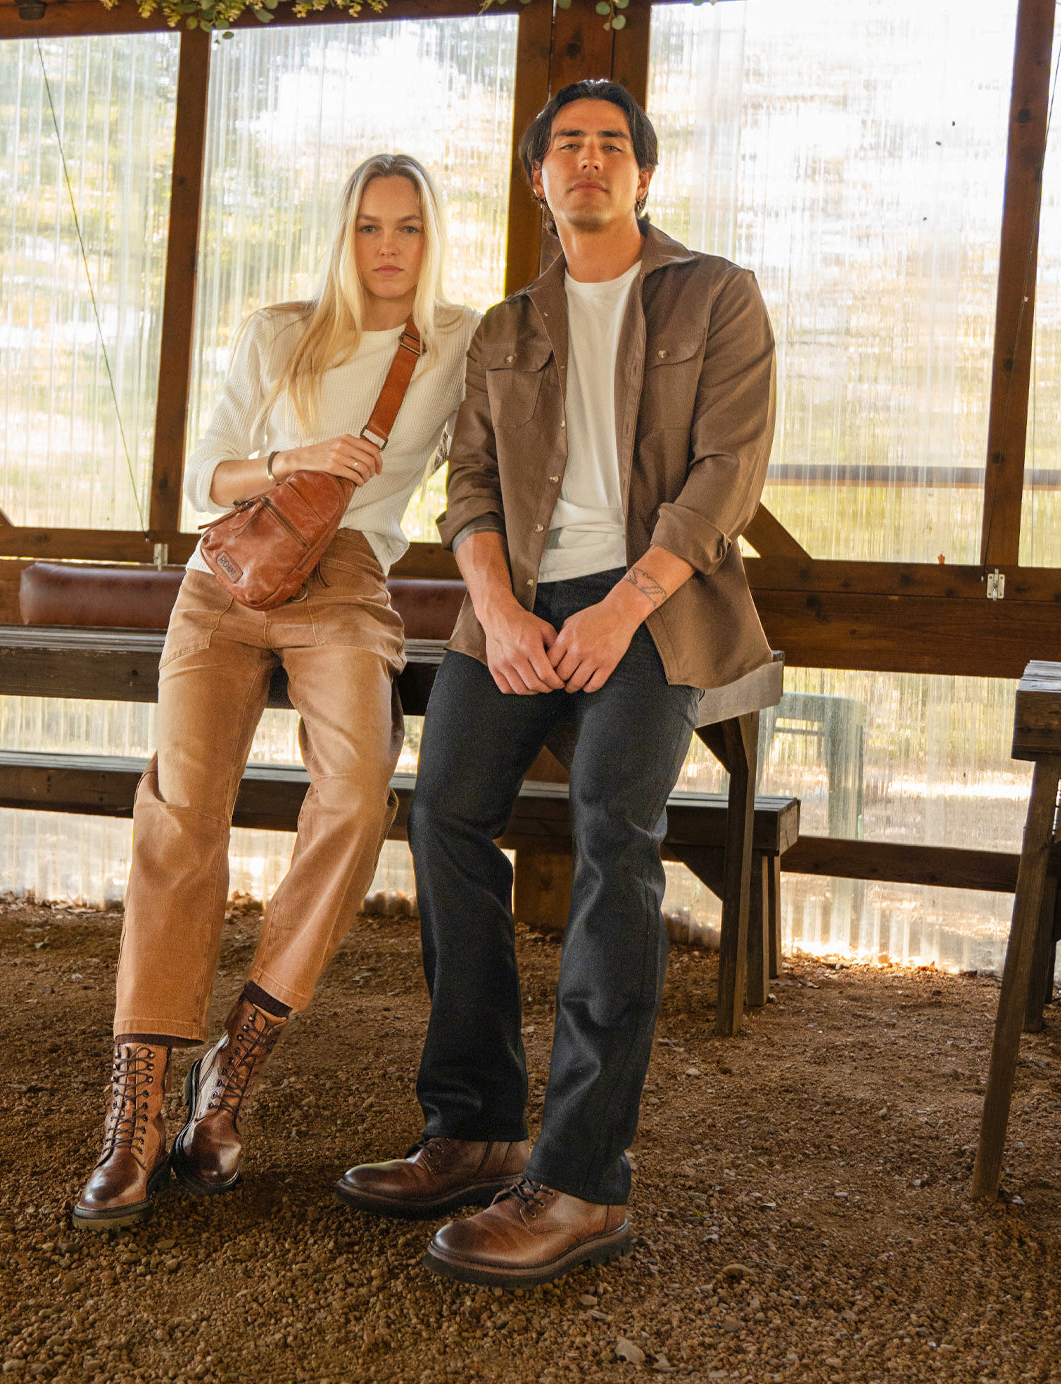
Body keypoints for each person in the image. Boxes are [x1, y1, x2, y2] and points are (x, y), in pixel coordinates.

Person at [336, 80, 776, 1287]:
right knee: (443, 811)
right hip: (515, 610)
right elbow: (467, 488)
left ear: (644, 175)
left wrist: (622, 607)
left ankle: (582, 1181)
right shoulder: (503, 329)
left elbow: (727, 473)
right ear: (538, 180)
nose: (590, 161)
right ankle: (474, 1122)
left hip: (658, 604)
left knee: (611, 830)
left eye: (612, 145)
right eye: (567, 146)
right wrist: (497, 608)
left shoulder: (715, 295)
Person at [73, 153, 480, 1230]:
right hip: (226, 575)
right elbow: (201, 477)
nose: (388, 247)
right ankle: (136, 1115)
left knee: (356, 794)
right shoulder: (277, 329)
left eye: (408, 227)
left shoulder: (457, 341)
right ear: (342, 234)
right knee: (179, 809)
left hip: (346, 576)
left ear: (432, 238)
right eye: (368, 227)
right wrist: (292, 455)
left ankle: (234, 1069)